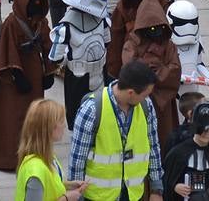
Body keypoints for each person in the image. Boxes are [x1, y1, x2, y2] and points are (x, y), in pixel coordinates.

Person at [68, 60, 165, 201]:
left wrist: (156, 189)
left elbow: (153, 146)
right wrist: (76, 196)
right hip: (98, 197)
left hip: (132, 194)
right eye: (144, 94)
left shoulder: (146, 106)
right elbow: (77, 160)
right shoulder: (91, 110)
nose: (147, 98)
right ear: (131, 93)